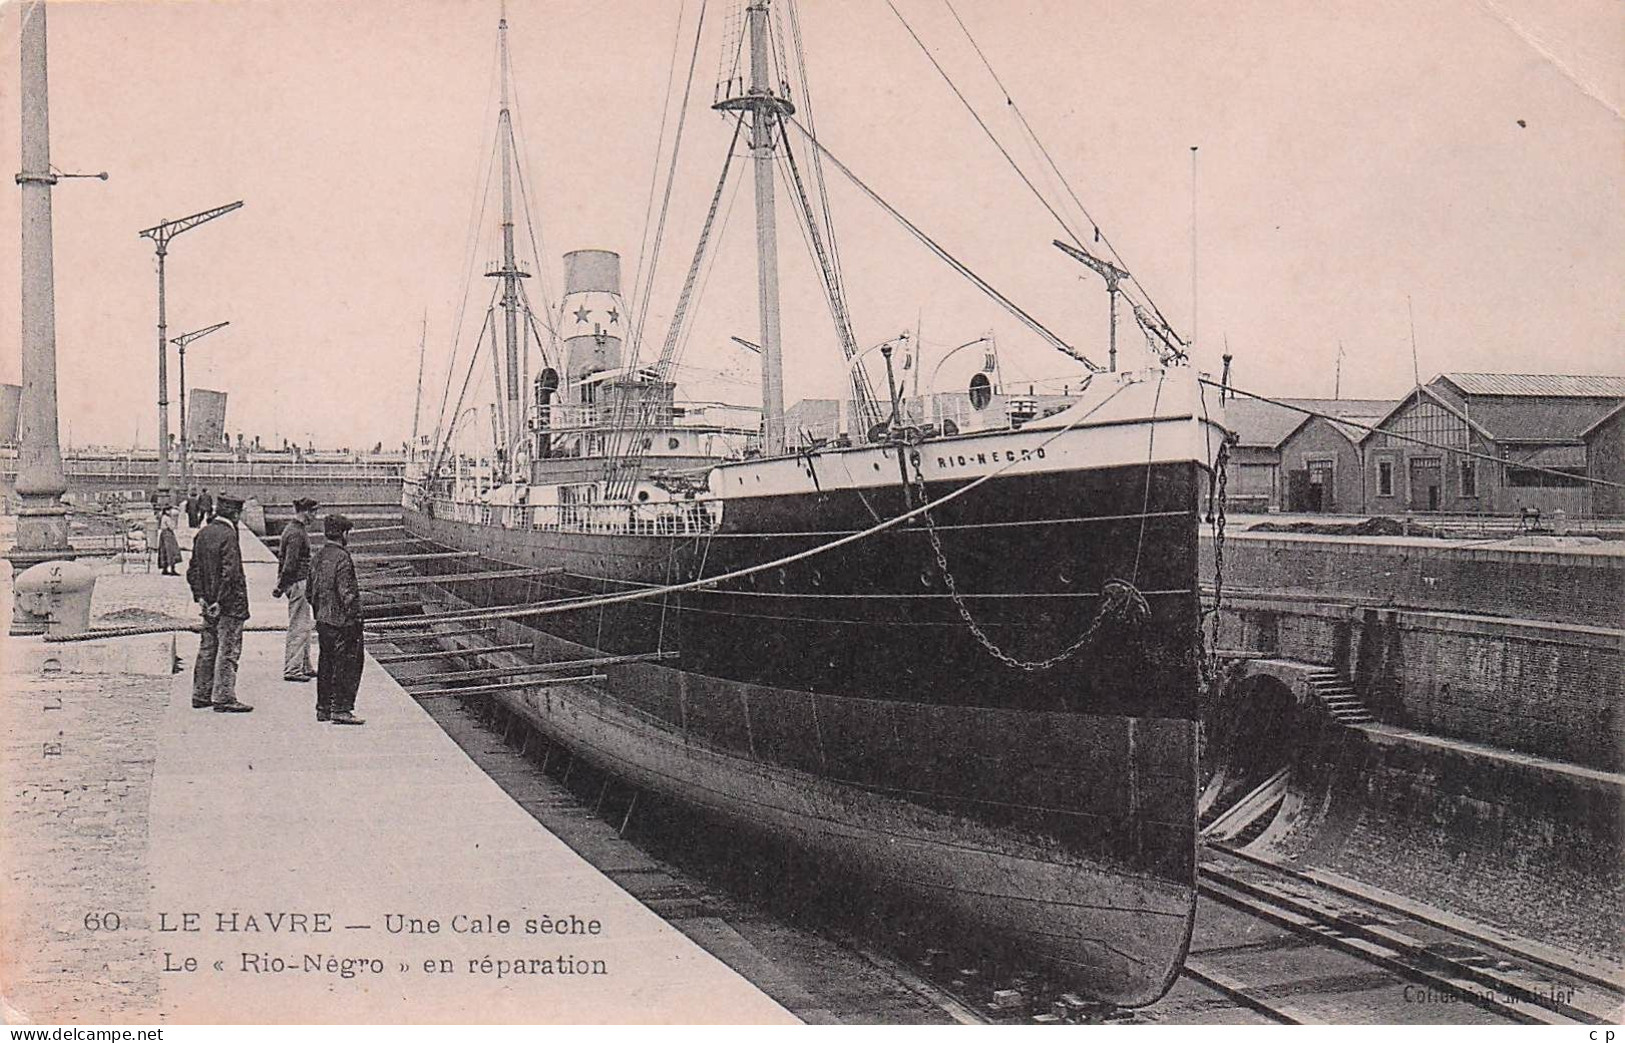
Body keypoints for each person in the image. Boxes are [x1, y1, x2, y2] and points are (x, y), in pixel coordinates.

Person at [186, 493, 254, 713]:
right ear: (235, 513)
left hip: (208, 604)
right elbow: (231, 574)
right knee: (228, 650)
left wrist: (202, 597)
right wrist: (221, 601)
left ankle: (201, 693)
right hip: (229, 606)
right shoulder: (229, 535)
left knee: (207, 648)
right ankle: (223, 697)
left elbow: (193, 570)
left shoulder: (203, 534)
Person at [309, 513, 365, 725]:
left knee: (326, 663)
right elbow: (347, 593)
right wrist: (356, 616)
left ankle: (323, 708)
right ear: (343, 534)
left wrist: (319, 611)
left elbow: (309, 591)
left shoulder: (318, 556)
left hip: (323, 620)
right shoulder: (342, 558)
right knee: (347, 665)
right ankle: (341, 709)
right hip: (343, 622)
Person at [273, 497, 318, 682]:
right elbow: (290, 564)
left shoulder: (295, 530)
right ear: (305, 512)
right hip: (298, 583)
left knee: (305, 626)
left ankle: (305, 665)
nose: (315, 516)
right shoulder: (296, 534)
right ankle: (292, 669)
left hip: (300, 582)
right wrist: (281, 586)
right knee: (298, 627)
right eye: (314, 512)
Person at [156, 502, 182, 575]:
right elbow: (172, 527)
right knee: (171, 551)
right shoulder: (167, 518)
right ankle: (172, 568)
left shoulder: (163, 517)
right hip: (168, 534)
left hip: (164, 535)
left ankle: (165, 568)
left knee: (164, 550)